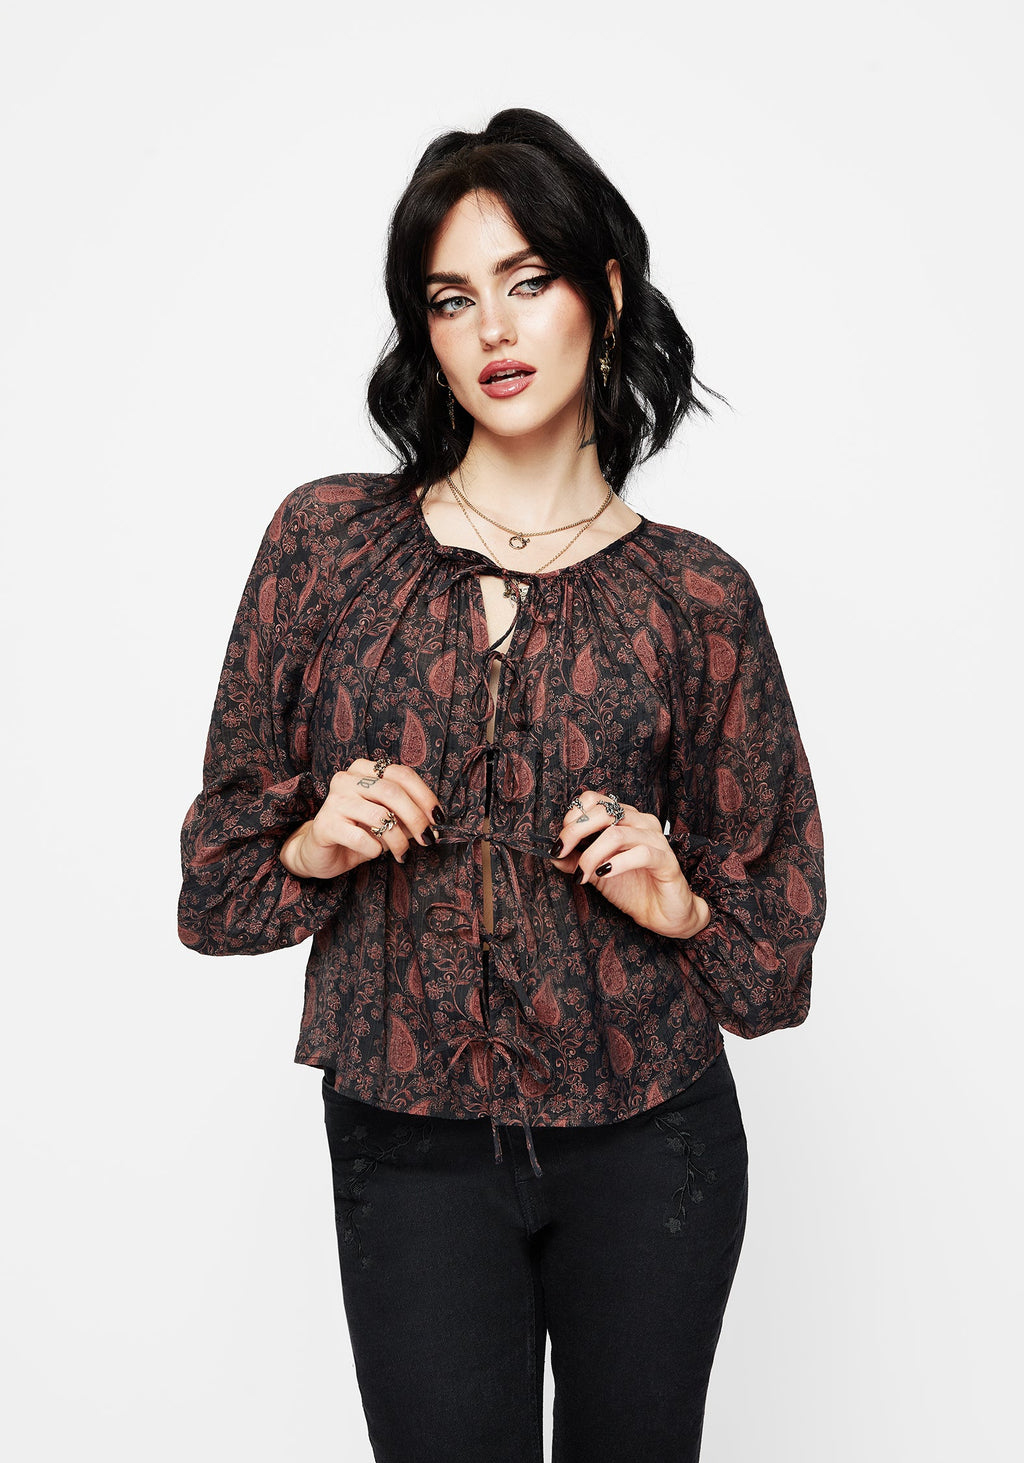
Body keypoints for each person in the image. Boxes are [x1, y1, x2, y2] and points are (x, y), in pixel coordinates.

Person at [178, 107, 826, 1463]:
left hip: (653, 1143)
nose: (493, 329)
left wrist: (680, 904)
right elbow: (213, 891)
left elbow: (774, 970)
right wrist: (314, 844)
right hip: (405, 1143)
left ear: (605, 294)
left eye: (527, 281)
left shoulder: (698, 596)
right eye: (451, 297)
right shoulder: (327, 545)